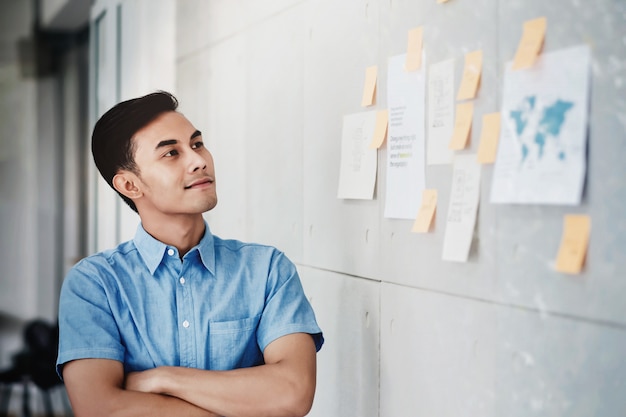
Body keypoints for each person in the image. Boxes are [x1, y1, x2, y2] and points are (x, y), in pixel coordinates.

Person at [56, 91, 324, 417]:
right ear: (129, 185)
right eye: (171, 153)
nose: (199, 160)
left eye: (197, 144)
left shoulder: (267, 270)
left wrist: (163, 379)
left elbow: (293, 395)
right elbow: (100, 408)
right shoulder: (95, 284)